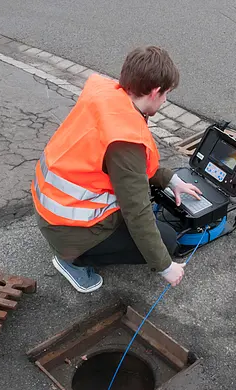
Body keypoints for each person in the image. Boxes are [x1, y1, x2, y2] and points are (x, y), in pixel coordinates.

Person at [31, 46, 202, 293]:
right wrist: (165, 266)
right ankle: (73, 262)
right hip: (70, 234)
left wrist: (171, 181)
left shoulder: (108, 98)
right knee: (166, 239)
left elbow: (133, 167)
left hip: (53, 214)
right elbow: (137, 212)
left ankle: (73, 250)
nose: (165, 101)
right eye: (166, 95)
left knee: (151, 225)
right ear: (155, 92)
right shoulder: (123, 142)